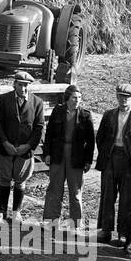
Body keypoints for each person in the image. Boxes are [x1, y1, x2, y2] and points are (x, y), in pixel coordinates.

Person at [94, 82, 131, 244]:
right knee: (107, 196)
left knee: (127, 200)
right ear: (116, 97)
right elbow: (100, 138)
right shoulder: (109, 115)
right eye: (120, 97)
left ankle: (124, 233)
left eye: (127, 98)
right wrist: (106, 155)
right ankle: (106, 231)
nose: (123, 100)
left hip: (129, 163)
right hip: (111, 160)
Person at [40, 83, 95, 226]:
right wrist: (47, 154)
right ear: (67, 98)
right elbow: (49, 134)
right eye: (74, 98)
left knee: (75, 192)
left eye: (79, 98)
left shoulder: (85, 115)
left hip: (76, 157)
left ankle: (76, 224)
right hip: (58, 155)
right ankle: (50, 222)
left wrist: (88, 161)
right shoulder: (57, 112)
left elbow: (90, 141)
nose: (77, 101)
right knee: (54, 190)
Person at [0, 71, 45, 222]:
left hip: (25, 150)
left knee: (20, 180)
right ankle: (2, 210)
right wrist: (4, 142)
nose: (23, 89)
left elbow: (39, 127)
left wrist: (29, 146)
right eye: (20, 85)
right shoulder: (3, 100)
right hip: (7, 147)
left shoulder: (37, 102)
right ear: (14, 84)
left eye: (26, 86)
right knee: (5, 178)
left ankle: (16, 211)